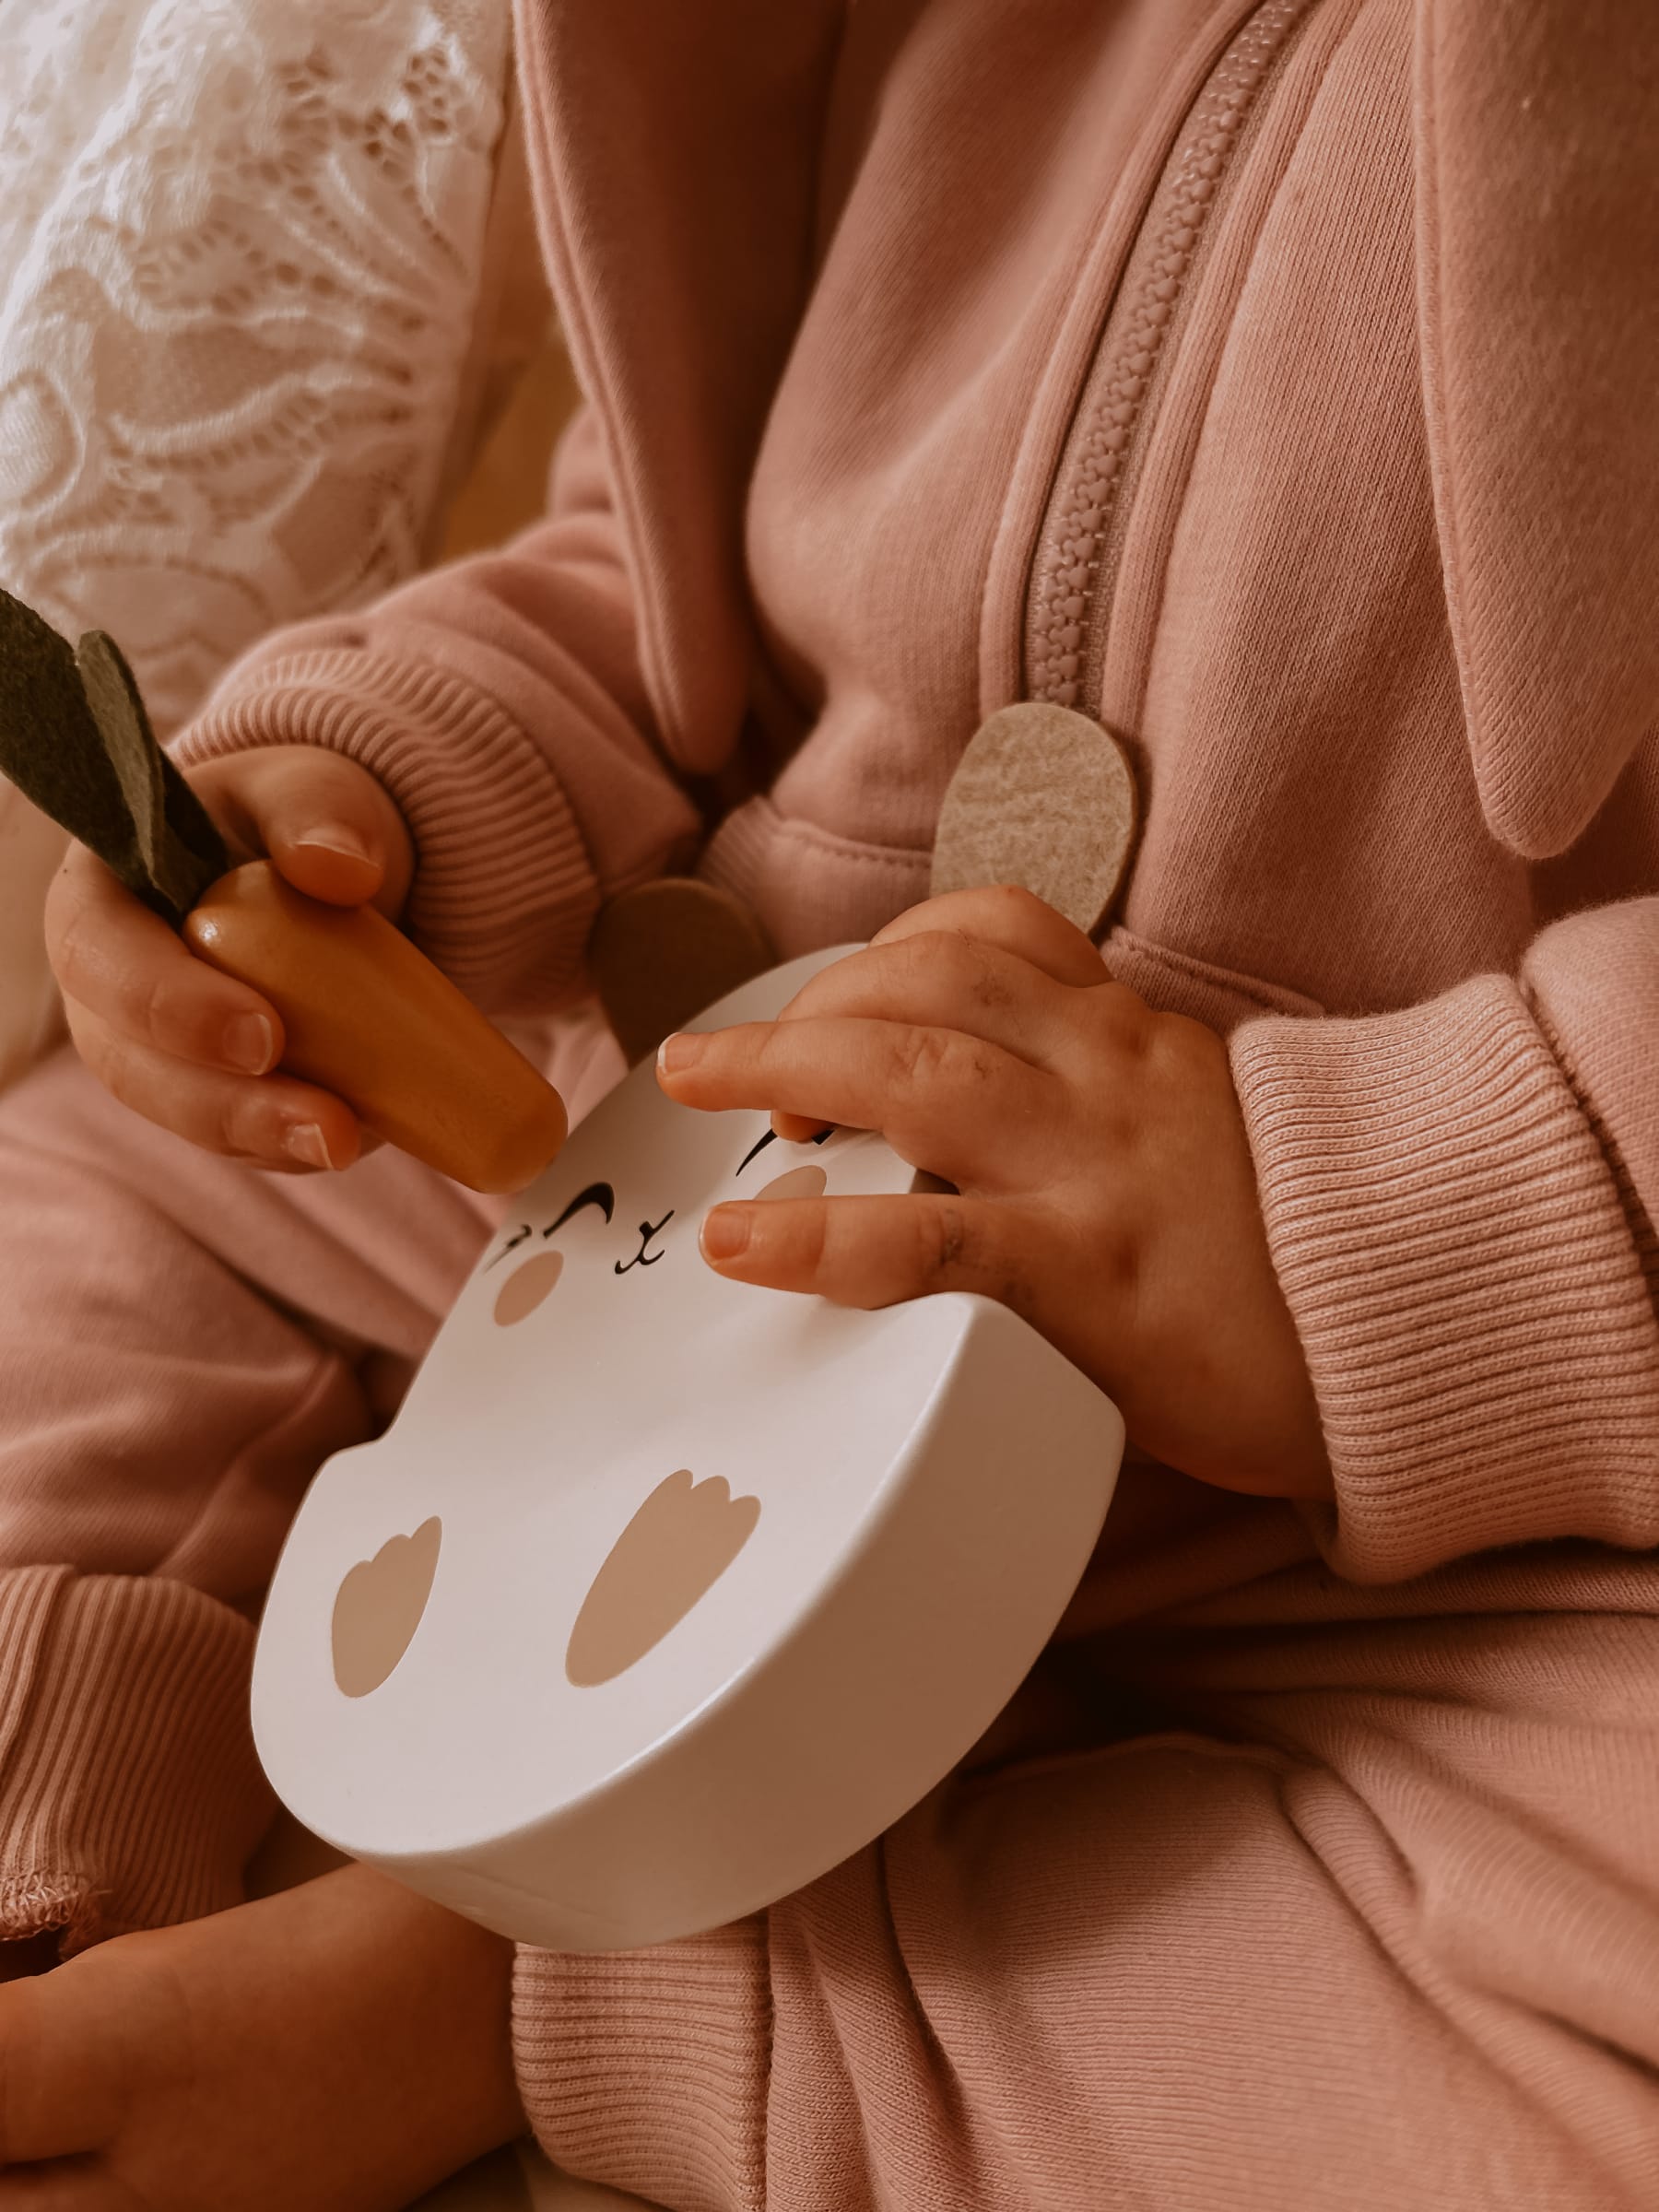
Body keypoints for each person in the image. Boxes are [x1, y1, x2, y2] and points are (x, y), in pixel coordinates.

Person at [3, 1, 1657, 2206]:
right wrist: (379, 796)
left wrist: (1381, 1220)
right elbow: (662, 563)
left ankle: (584, 1971)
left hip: (1405, 1496)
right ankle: (63, 1809)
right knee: (85, 1196)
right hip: (680, 1193)